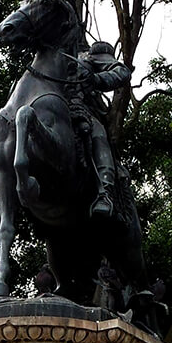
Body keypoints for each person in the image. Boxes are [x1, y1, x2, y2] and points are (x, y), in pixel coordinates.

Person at [66, 40, 132, 219]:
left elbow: (122, 72)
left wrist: (97, 79)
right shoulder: (46, 52)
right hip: (48, 103)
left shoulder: (91, 54)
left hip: (79, 107)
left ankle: (105, 192)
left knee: (97, 134)